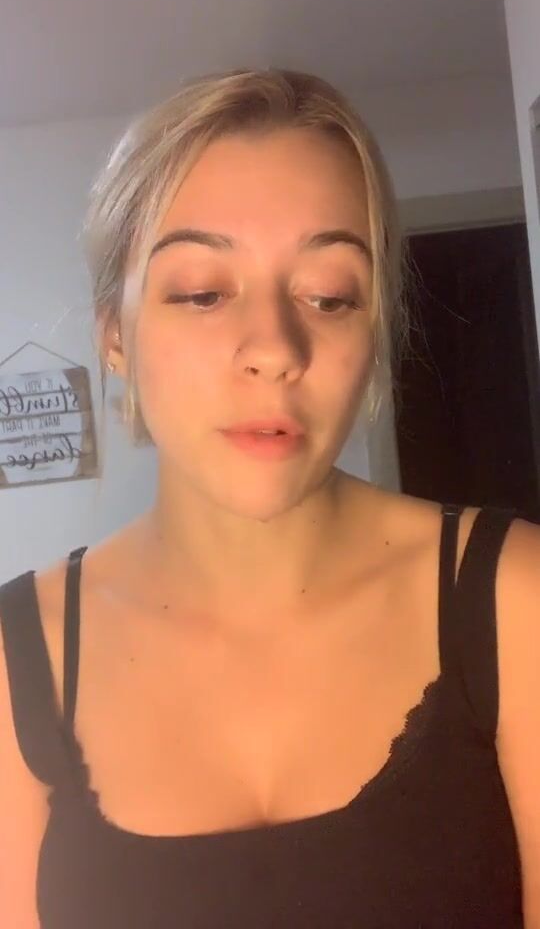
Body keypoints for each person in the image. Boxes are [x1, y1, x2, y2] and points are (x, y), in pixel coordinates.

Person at [0, 67, 538, 929]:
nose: (275, 348)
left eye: (329, 296)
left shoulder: (515, 597)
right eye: (202, 292)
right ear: (115, 336)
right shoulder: (15, 658)